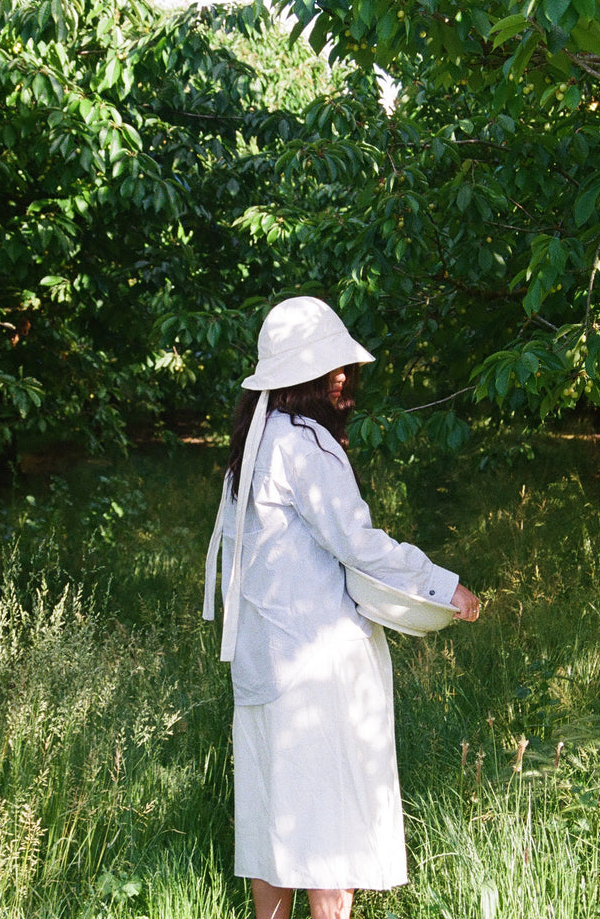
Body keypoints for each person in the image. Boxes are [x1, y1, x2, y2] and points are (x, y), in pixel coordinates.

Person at [203, 296, 482, 919]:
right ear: (299, 377)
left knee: (275, 829)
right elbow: (357, 544)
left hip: (265, 663)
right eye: (327, 368)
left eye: (342, 367)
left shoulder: (253, 444)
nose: (341, 379)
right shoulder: (303, 445)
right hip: (317, 666)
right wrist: (442, 586)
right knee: (328, 836)